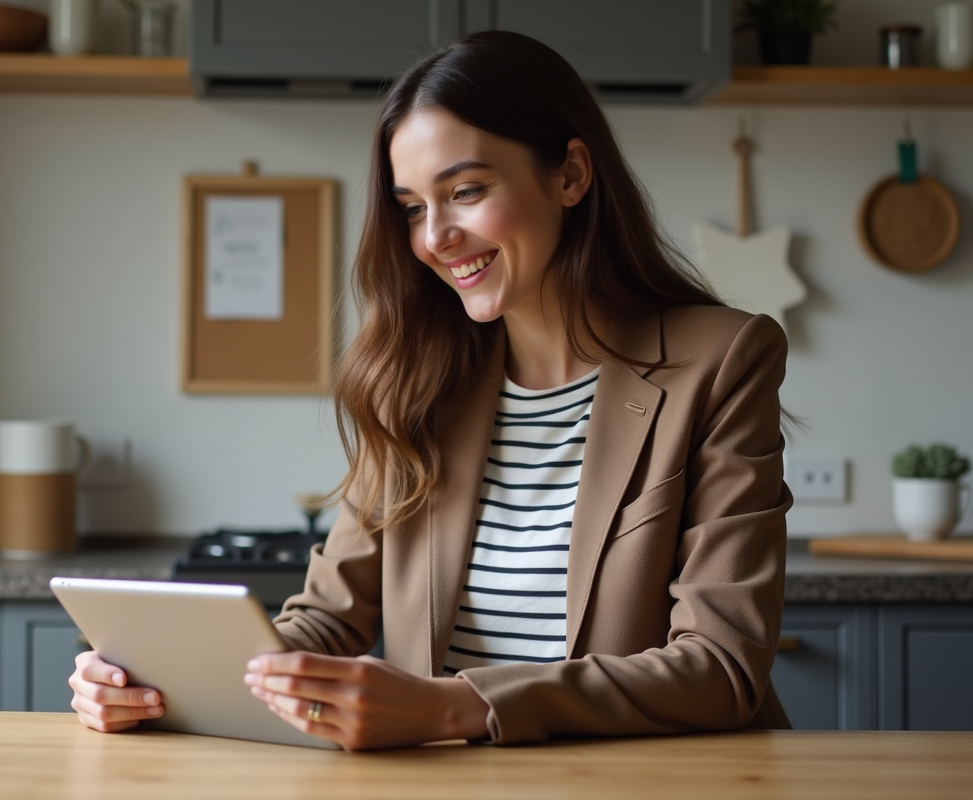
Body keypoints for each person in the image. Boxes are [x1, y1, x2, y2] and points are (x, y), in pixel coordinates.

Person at [69, 30, 793, 750]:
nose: (436, 237)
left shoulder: (721, 360)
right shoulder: (414, 381)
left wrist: (456, 707)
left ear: (570, 175)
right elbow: (326, 620)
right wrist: (161, 685)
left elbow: (720, 667)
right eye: (413, 206)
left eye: (466, 192)